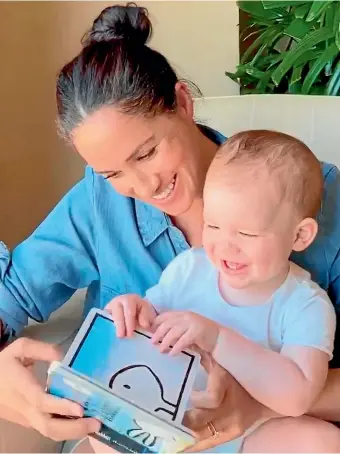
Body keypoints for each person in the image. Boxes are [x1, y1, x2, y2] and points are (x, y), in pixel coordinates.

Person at [0, 2, 340, 452]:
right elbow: (13, 294)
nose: (143, 186)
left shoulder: (319, 200)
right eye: (113, 174)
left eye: (146, 153)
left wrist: (255, 409)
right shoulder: (100, 202)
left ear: (182, 103)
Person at [105, 130, 338, 452]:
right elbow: (149, 321)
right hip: (172, 423)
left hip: (252, 433)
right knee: (101, 429)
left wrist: (217, 339)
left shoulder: (305, 304)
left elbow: (297, 397)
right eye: (212, 225)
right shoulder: (189, 268)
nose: (225, 246)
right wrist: (132, 309)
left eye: (246, 232)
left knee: (322, 442)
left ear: (299, 236)